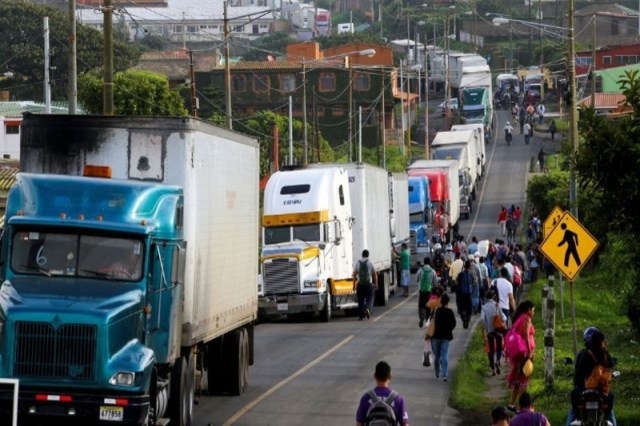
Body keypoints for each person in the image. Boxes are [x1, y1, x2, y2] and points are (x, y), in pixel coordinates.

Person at [566, 326, 617, 426]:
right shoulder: (605, 354)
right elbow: (611, 365)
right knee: (610, 412)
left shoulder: (583, 354)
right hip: (601, 391)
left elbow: (578, 374)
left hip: (583, 390)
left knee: (573, 410)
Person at [355, 361, 409, 426]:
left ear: (375, 376)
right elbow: (405, 424)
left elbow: (359, 423)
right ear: (390, 377)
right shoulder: (398, 399)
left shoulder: (366, 398)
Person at [506, 301, 536, 413]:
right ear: (528, 310)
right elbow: (526, 336)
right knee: (524, 379)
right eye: (533, 310)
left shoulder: (519, 318)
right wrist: (529, 352)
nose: (533, 313)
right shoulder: (526, 319)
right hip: (524, 353)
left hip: (518, 353)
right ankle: (522, 408)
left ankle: (512, 404)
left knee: (518, 381)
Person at [430, 293, 457, 381]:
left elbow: (432, 322)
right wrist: (449, 330)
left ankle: (437, 373)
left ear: (441, 302)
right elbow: (453, 324)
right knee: (444, 355)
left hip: (436, 336)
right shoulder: (450, 312)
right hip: (446, 337)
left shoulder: (437, 311)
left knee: (437, 356)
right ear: (448, 302)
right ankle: (444, 374)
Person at [482, 289, 507, 376]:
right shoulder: (497, 305)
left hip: (490, 331)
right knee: (499, 347)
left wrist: (486, 328)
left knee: (491, 350)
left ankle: (492, 369)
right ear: (493, 297)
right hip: (498, 330)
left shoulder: (484, 307)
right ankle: (497, 361)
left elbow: (482, 319)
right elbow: (502, 317)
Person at [353, 249, 378, 321]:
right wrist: (375, 284)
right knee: (370, 298)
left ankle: (361, 316)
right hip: (368, 284)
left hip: (360, 284)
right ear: (368, 255)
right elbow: (374, 274)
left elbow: (354, 274)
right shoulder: (370, 263)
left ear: (362, 255)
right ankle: (367, 308)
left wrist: (354, 285)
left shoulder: (357, 263)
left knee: (360, 300)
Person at [418, 257, 438, 328]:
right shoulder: (432, 271)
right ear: (430, 263)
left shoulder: (420, 270)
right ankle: (427, 320)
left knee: (421, 306)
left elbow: (417, 279)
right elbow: (435, 282)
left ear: (424, 262)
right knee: (429, 307)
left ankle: (422, 317)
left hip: (421, 291)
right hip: (429, 291)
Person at [456, 260, 475, 328]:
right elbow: (473, 283)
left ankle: (464, 319)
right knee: (469, 309)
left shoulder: (460, 274)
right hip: (469, 294)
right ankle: (467, 320)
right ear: (469, 266)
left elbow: (457, 283)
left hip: (461, 294)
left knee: (461, 308)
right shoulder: (470, 275)